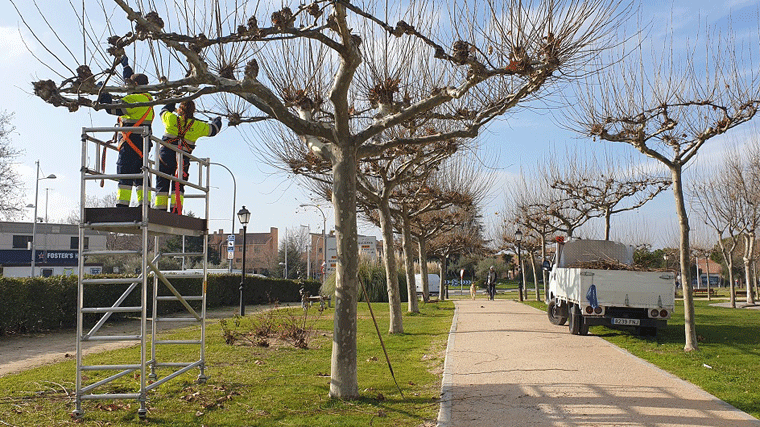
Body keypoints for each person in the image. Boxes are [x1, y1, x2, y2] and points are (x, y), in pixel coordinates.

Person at [98, 56, 155, 207]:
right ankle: (145, 204)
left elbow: (112, 109)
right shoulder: (148, 99)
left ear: (135, 85)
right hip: (143, 142)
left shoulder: (133, 100)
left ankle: (122, 205)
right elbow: (128, 85)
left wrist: (102, 94)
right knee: (141, 172)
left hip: (130, 143)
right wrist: (126, 66)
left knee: (125, 172)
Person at [154, 100, 221, 213]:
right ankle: (176, 211)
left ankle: (160, 211)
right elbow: (214, 129)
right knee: (178, 186)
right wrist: (217, 120)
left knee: (162, 183)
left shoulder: (170, 119)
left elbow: (163, 111)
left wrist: (173, 101)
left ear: (180, 109)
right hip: (182, 160)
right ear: (193, 111)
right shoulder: (198, 125)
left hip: (165, 157)